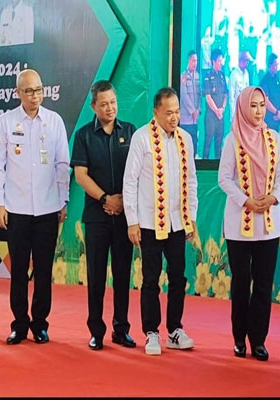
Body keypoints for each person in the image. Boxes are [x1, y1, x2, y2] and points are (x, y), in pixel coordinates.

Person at [0, 69, 70, 345]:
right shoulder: (6, 122)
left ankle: (40, 324)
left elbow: (62, 164)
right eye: (29, 91)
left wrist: (63, 200)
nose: (35, 96)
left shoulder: (54, 121)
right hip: (16, 209)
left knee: (44, 271)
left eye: (38, 90)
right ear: (18, 93)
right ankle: (19, 324)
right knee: (19, 271)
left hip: (48, 208)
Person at [123, 88, 198, 356]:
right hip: (149, 223)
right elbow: (130, 181)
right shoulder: (141, 138)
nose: (174, 117)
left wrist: (191, 218)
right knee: (151, 279)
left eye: (177, 112)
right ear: (156, 112)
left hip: (178, 222)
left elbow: (191, 181)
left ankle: (175, 329)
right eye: (169, 113)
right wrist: (132, 221)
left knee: (178, 277)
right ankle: (151, 332)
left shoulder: (186, 139)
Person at [218, 86, 280, 361]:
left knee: (263, 284)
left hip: (268, 225)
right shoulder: (232, 140)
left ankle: (258, 340)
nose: (259, 112)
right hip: (239, 225)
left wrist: (273, 197)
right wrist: (246, 201)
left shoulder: (274, 138)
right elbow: (224, 179)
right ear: (243, 108)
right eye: (253, 106)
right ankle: (239, 338)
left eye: (262, 105)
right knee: (240, 283)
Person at [71, 81, 136, 351]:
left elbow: (136, 172)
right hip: (96, 217)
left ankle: (121, 329)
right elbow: (80, 175)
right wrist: (105, 199)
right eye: (104, 104)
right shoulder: (84, 135)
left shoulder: (130, 131)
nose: (110, 108)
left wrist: (122, 201)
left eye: (113, 102)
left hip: (124, 216)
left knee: (122, 275)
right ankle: (96, 331)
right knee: (96, 276)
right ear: (93, 106)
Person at [203, 48, 228, 159]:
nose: (221, 63)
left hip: (220, 115)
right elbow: (208, 97)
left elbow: (225, 94)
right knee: (208, 141)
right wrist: (216, 110)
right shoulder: (208, 75)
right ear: (213, 61)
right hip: (211, 116)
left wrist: (222, 108)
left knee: (219, 143)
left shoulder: (222, 75)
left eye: (221, 61)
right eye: (219, 61)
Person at [180, 50, 201, 155]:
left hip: (195, 120)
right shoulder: (183, 76)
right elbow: (184, 95)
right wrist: (193, 111)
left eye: (196, 61)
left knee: (194, 146)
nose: (195, 63)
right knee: (185, 148)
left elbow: (200, 95)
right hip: (186, 119)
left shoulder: (197, 76)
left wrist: (198, 110)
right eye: (193, 60)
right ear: (188, 61)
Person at [259, 53, 280, 132]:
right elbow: (265, 100)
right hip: (269, 118)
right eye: (275, 65)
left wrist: (279, 111)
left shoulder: (277, 77)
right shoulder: (265, 80)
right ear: (270, 65)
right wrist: (275, 112)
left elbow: (279, 96)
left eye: (277, 65)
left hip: (277, 117)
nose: (276, 67)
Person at [229, 51, 252, 121]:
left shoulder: (247, 73)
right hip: (236, 112)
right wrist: (234, 116)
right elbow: (231, 97)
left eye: (248, 61)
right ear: (240, 60)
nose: (247, 63)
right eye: (246, 60)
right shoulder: (234, 74)